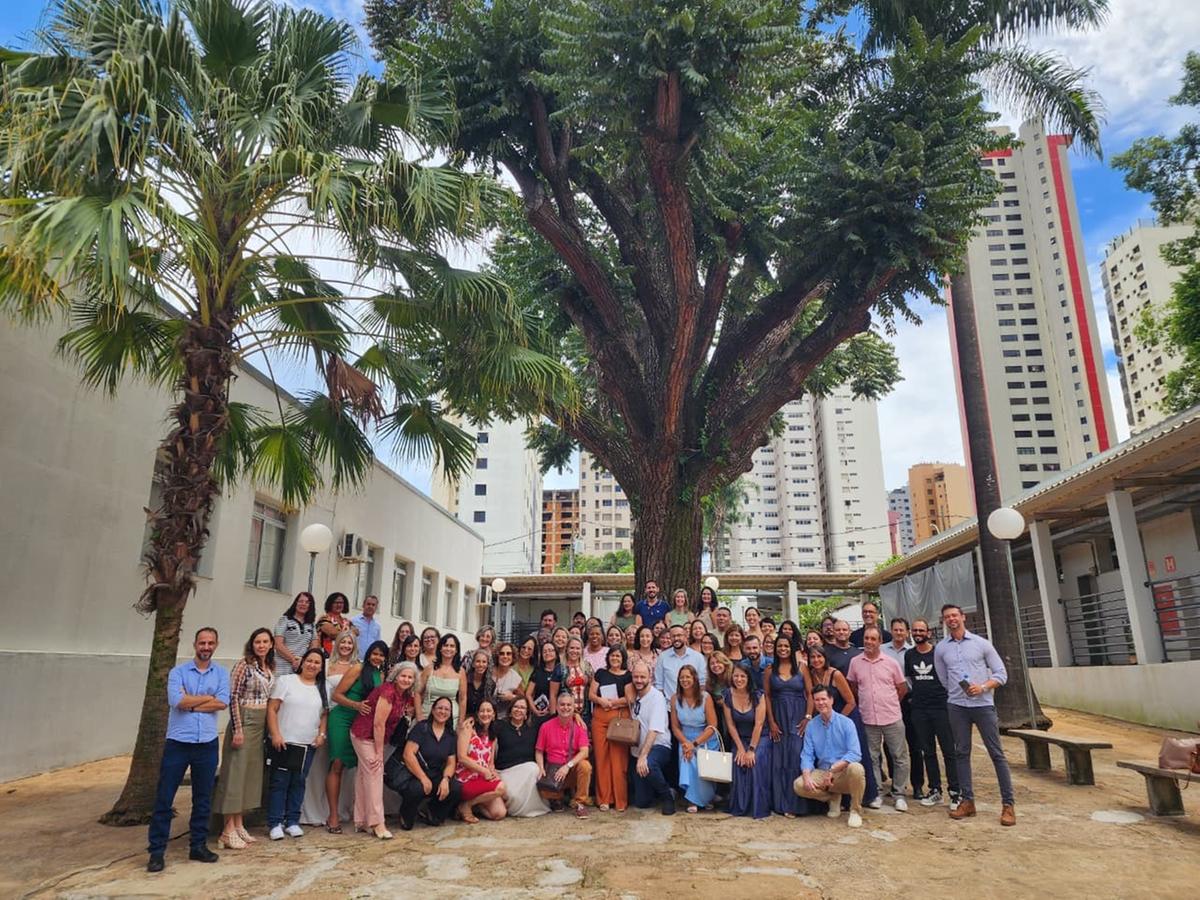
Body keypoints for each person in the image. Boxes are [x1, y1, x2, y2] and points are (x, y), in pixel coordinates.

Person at [146, 627, 229, 872]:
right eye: (202, 642)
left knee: (202, 799)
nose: (206, 647)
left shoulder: (221, 674)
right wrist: (206, 699)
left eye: (210, 643)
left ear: (216, 645)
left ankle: (198, 846)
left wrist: (190, 703)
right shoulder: (178, 672)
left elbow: (222, 702)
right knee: (164, 798)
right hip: (178, 744)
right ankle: (156, 852)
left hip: (207, 744)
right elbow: (176, 701)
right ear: (195, 644)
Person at [934, 603, 1016, 826]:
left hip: (982, 705)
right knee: (961, 753)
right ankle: (967, 801)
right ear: (944, 621)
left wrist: (983, 687)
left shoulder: (982, 644)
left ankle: (1008, 804)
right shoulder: (941, 649)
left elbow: (1001, 674)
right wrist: (956, 693)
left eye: (954, 615)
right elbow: (944, 679)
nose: (951, 619)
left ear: (963, 617)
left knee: (996, 754)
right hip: (957, 706)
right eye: (947, 617)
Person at [215, 628, 275, 850]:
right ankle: (227, 829)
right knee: (235, 775)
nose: (261, 645)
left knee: (250, 775)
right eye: (257, 641)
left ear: (270, 645)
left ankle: (239, 824)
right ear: (252, 644)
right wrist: (238, 729)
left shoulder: (268, 666)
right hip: (244, 720)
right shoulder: (244, 665)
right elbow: (232, 697)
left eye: (265, 641)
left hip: (260, 724)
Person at [326, 639, 388, 832]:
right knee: (337, 764)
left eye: (381, 654)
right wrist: (356, 705)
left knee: (362, 768)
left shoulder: (381, 674)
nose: (377, 657)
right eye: (374, 653)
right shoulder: (357, 669)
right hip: (342, 717)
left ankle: (360, 816)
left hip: (362, 724)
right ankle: (333, 815)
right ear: (369, 653)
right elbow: (336, 695)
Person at [265, 647, 327, 841]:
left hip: (306, 745)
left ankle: (292, 821)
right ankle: (275, 822)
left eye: (317, 662)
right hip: (284, 741)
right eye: (309, 660)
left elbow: (325, 714)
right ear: (302, 662)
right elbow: (272, 709)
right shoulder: (286, 681)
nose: (312, 665)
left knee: (298, 783)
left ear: (321, 667)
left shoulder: (322, 687)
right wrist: (275, 734)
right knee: (279, 783)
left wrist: (321, 734)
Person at [350, 661, 417, 839]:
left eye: (410, 677)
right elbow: (378, 724)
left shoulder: (404, 694)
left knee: (365, 776)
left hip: (377, 738)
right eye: (403, 675)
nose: (406, 679)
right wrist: (379, 752)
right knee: (374, 772)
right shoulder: (388, 691)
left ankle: (362, 821)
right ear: (396, 675)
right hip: (364, 735)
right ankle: (377, 823)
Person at [807, 644, 879, 809]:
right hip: (825, 721)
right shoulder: (810, 675)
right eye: (813, 657)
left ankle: (868, 796)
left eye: (819, 656)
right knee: (831, 757)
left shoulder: (835, 674)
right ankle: (839, 798)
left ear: (825, 658)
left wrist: (837, 721)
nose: (816, 660)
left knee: (854, 757)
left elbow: (851, 701)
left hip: (846, 716)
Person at [847, 626, 910, 812]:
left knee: (899, 756)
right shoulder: (855, 662)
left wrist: (890, 702)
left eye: (873, 639)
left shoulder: (891, 663)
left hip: (891, 716)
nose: (868, 642)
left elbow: (902, 688)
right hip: (868, 718)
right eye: (866, 638)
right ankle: (877, 793)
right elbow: (852, 686)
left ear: (880, 642)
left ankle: (899, 794)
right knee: (872, 758)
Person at [906, 618, 961, 809]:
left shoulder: (939, 652)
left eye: (922, 630)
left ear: (928, 632)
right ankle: (935, 789)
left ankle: (955, 792)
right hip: (920, 710)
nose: (918, 633)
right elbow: (910, 679)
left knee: (949, 751)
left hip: (941, 708)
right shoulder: (909, 655)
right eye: (915, 630)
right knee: (927, 751)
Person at [793, 685, 865, 828]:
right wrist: (807, 775)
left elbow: (855, 753)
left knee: (857, 769)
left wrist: (832, 771)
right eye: (817, 700)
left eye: (824, 699)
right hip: (822, 773)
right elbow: (807, 755)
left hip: (842, 772)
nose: (820, 703)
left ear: (831, 700)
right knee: (799, 785)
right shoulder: (812, 726)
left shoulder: (846, 723)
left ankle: (855, 811)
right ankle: (832, 798)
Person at [764, 634, 814, 817]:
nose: (783, 649)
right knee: (779, 761)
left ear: (791, 648)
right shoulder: (770, 670)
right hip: (778, 718)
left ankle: (797, 804)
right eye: (779, 646)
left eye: (786, 645)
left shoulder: (802, 667)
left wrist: (808, 717)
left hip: (798, 718)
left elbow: (810, 693)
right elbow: (767, 696)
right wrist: (771, 721)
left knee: (795, 758)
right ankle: (781, 803)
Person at [397, 696, 462, 830]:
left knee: (455, 788)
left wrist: (445, 779)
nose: (442, 712)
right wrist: (423, 777)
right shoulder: (422, 728)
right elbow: (408, 754)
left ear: (450, 714)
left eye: (446, 709)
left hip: (436, 774)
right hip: (415, 774)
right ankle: (406, 813)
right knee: (417, 788)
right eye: (439, 708)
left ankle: (432, 812)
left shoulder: (451, 735)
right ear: (432, 710)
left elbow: (451, 762)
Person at [589, 645, 634, 811]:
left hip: (619, 720)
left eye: (618, 656)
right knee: (602, 759)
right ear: (608, 657)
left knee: (619, 760)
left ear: (623, 659)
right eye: (612, 656)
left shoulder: (628, 676)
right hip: (600, 719)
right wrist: (601, 701)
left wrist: (612, 702)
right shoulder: (601, 673)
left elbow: (629, 698)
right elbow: (591, 694)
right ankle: (604, 799)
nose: (615, 659)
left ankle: (620, 800)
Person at [883, 617, 923, 800]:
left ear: (907, 632)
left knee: (915, 745)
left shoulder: (914, 652)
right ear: (891, 630)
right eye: (895, 630)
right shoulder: (882, 650)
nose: (899, 633)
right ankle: (895, 782)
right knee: (890, 745)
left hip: (910, 702)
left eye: (902, 630)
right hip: (888, 702)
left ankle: (917, 785)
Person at [723, 663, 770, 819]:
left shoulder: (758, 695)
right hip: (740, 738)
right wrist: (741, 749)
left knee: (753, 761)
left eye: (743, 676)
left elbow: (759, 723)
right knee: (738, 760)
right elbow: (730, 724)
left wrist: (750, 750)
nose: (739, 679)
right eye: (736, 676)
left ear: (749, 678)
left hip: (759, 737)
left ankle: (758, 807)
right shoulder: (727, 695)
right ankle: (740, 805)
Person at [670, 664, 719, 813]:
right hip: (685, 737)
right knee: (687, 758)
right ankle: (692, 800)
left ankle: (706, 798)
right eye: (682, 677)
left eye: (688, 677)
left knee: (702, 766)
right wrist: (686, 743)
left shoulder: (705, 697)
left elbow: (713, 725)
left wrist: (695, 743)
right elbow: (675, 727)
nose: (685, 680)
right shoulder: (675, 699)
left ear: (694, 678)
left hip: (705, 738)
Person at [535, 692, 592, 817]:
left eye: (568, 705)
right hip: (553, 770)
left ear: (573, 708)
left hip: (571, 769)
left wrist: (568, 766)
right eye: (562, 704)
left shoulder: (580, 726)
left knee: (585, 766)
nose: (565, 708)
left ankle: (580, 802)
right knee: (542, 791)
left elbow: (585, 751)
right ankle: (557, 798)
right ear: (556, 707)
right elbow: (539, 751)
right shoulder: (545, 726)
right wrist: (540, 767)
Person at [629, 661, 675, 815]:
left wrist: (643, 757)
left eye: (643, 677)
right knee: (642, 802)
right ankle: (655, 789)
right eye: (636, 677)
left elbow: (654, 730)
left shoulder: (656, 697)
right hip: (639, 749)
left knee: (649, 764)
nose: (639, 680)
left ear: (650, 677)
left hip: (659, 746)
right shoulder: (634, 695)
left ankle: (667, 796)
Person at [494, 696, 550, 817]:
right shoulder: (499, 726)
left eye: (522, 707)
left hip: (527, 771)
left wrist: (575, 715)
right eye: (516, 707)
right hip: (505, 771)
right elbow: (484, 721)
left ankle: (533, 809)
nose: (519, 710)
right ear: (510, 710)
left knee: (533, 768)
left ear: (527, 713)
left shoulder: (534, 726)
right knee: (512, 796)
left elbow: (557, 716)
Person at [456, 699, 508, 822]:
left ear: (494, 714)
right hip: (466, 778)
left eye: (489, 711)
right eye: (482, 711)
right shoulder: (468, 728)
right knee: (501, 788)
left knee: (499, 813)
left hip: (483, 779)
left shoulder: (492, 735)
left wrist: (492, 772)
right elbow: (462, 757)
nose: (486, 714)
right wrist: (483, 771)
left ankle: (471, 805)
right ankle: (466, 806)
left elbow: (490, 763)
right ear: (477, 713)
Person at [417, 633, 466, 721]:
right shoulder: (429, 669)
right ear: (440, 648)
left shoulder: (461, 672)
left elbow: (462, 699)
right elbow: (417, 693)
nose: (448, 648)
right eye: (445, 645)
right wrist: (419, 716)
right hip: (427, 717)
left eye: (452, 646)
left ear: (456, 650)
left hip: (451, 719)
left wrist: (460, 722)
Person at [654, 624, 707, 701]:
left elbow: (702, 683)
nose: (676, 638)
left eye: (679, 635)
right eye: (673, 636)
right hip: (669, 706)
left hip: (693, 705)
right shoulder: (663, 657)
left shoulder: (698, 657)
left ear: (685, 637)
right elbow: (659, 684)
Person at [273, 592, 318, 675]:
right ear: (295, 603)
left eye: (307, 602)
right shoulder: (284, 620)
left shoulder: (311, 625)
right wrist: (293, 660)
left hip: (301, 667)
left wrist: (305, 661)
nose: (303, 604)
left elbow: (314, 646)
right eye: (300, 601)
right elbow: (278, 644)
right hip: (282, 667)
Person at [527, 640, 563, 724]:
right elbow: (528, 694)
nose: (547, 653)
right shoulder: (537, 672)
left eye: (550, 650)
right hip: (540, 713)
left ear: (556, 653)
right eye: (544, 651)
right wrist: (534, 710)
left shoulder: (562, 671)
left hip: (559, 712)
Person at [562, 636, 594, 722]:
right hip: (565, 713)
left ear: (582, 650)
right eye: (572, 648)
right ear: (567, 649)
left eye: (577, 648)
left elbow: (593, 688)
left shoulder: (587, 666)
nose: (574, 651)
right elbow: (553, 694)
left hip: (585, 713)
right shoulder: (560, 668)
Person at [492, 642, 523, 719]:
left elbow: (522, 698)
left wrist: (512, 697)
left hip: (504, 718)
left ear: (513, 657)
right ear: (497, 656)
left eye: (508, 654)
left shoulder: (516, 678)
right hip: (486, 715)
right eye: (502, 653)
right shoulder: (488, 672)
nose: (505, 656)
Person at [464, 646, 496, 719]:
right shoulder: (464, 679)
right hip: (463, 717)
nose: (481, 665)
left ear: (488, 665)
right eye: (478, 661)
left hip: (481, 719)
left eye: (484, 662)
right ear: (473, 664)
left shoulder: (491, 684)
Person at [351, 595, 382, 659]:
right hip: (354, 659)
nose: (370, 606)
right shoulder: (353, 621)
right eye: (368, 604)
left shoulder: (377, 626)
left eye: (373, 605)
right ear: (363, 605)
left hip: (369, 661)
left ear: (376, 608)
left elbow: (377, 645)